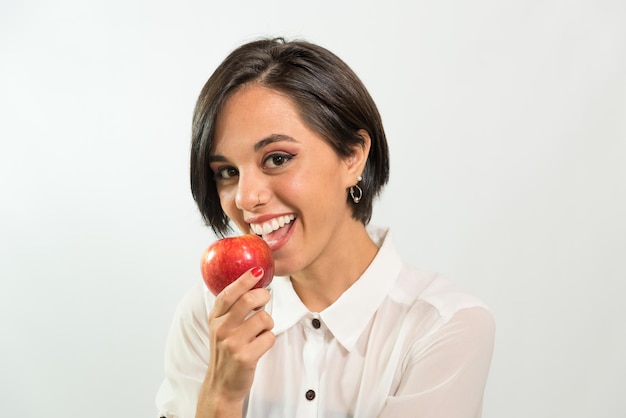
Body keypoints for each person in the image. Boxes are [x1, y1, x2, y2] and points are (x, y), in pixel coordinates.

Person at [156, 37, 495, 418]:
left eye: (277, 158)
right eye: (228, 172)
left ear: (352, 156)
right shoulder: (208, 318)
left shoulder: (443, 325)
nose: (246, 197)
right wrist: (221, 396)